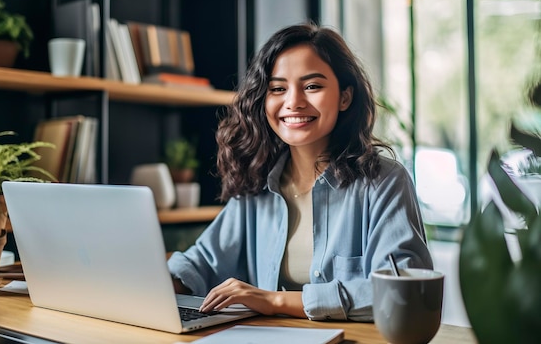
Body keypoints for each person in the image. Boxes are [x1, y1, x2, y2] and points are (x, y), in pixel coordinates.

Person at [167, 23, 433, 322]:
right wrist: (150, 285)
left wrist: (275, 300)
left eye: (312, 86)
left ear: (345, 97)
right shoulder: (258, 183)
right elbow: (201, 263)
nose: (293, 102)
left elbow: (403, 291)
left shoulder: (384, 182)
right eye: (278, 89)